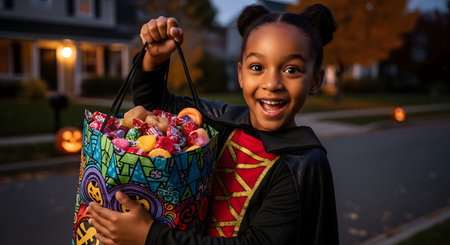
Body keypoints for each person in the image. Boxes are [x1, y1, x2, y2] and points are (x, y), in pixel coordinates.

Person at [88, 3, 339, 245]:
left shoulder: (301, 164)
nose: (272, 83)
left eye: (291, 69)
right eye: (257, 67)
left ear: (316, 80)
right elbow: (156, 106)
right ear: (241, 74)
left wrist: (150, 237)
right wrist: (154, 58)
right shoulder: (222, 122)